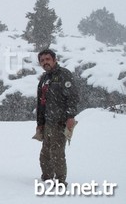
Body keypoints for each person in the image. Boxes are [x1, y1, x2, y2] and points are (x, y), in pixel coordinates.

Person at [35, 49, 79, 186]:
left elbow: (72, 97)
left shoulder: (63, 75)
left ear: (54, 60)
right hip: (48, 122)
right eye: (42, 60)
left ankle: (60, 181)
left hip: (60, 121)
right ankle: (47, 177)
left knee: (57, 153)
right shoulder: (44, 78)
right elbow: (40, 102)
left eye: (48, 59)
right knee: (45, 154)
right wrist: (40, 123)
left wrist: (70, 116)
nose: (45, 62)